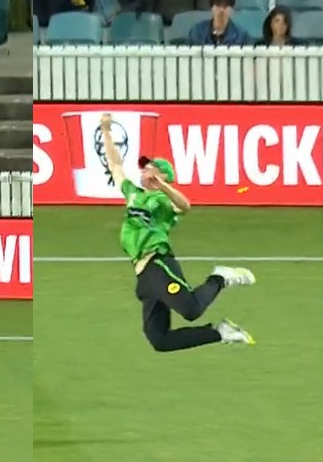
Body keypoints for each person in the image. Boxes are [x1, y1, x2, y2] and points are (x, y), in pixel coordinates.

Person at [96, 112, 256, 352]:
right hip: (143, 276)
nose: (143, 171)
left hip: (157, 263)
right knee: (159, 340)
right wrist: (106, 130)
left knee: (191, 310)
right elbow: (115, 165)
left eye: (150, 168)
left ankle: (220, 277)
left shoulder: (162, 199)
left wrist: (161, 186)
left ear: (162, 176)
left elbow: (184, 206)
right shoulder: (133, 193)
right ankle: (219, 332)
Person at [186, 0, 252, 45]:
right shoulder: (197, 31)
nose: (221, 10)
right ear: (211, 8)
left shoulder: (241, 35)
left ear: (232, 10)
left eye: (225, 6)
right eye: (218, 5)